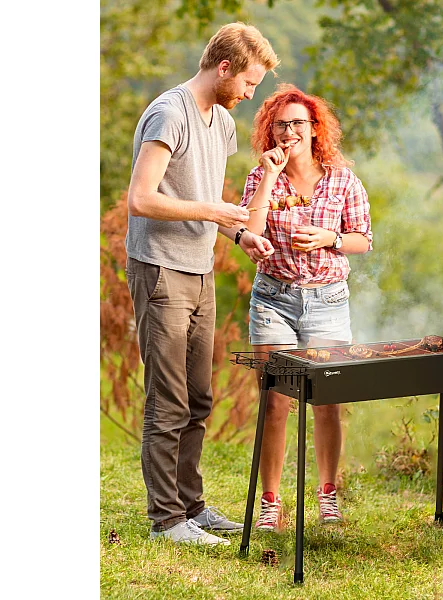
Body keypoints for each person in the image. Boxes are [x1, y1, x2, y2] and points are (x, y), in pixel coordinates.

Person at [125, 22, 279, 546]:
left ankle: (191, 507)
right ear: (224, 68)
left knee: (198, 396)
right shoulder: (171, 113)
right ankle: (166, 520)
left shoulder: (222, 123)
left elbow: (204, 197)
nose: (249, 94)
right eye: (249, 83)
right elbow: (142, 198)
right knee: (166, 397)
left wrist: (236, 234)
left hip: (199, 268)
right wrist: (214, 210)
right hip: (160, 267)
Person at [238, 84, 372, 532]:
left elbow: (362, 239)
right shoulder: (261, 176)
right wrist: (271, 177)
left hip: (328, 300)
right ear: (270, 130)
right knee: (276, 400)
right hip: (273, 298)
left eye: (299, 123)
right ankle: (271, 503)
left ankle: (328, 494)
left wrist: (329, 238)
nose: (290, 130)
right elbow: (249, 231)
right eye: (282, 124)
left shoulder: (342, 179)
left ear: (315, 129)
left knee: (327, 401)